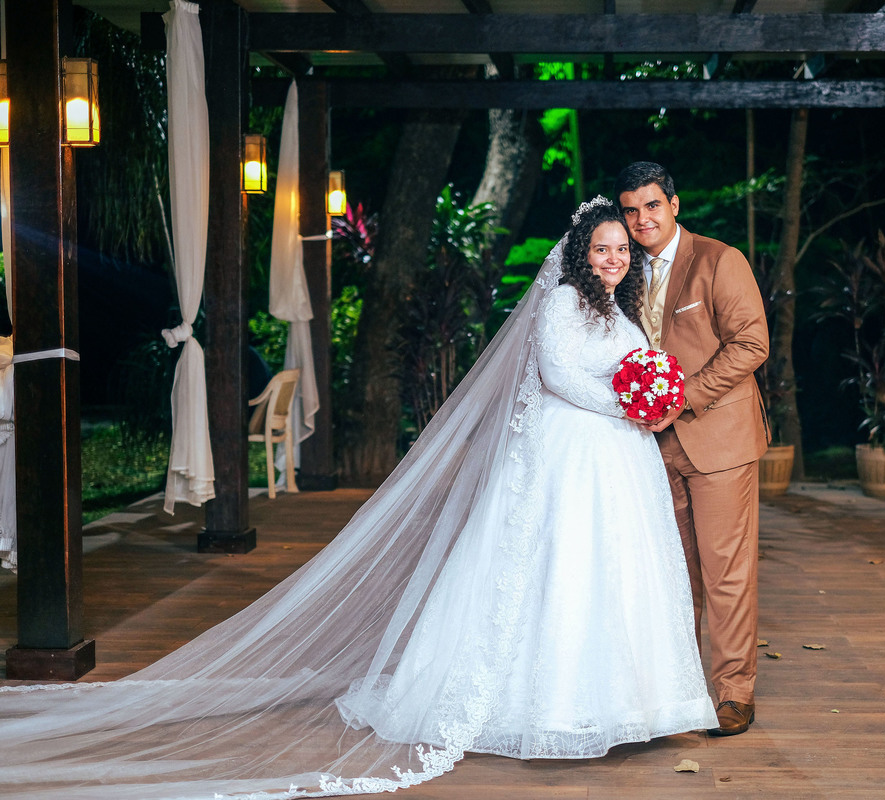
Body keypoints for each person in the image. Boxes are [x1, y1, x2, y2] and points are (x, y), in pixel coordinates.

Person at [0, 199, 715, 799]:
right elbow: (557, 374)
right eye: (602, 248)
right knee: (557, 570)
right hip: (570, 455)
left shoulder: (618, 309)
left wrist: (647, 395)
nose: (613, 257)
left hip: (613, 458)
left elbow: (631, 364)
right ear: (581, 253)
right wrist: (628, 405)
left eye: (621, 249)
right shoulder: (562, 302)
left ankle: (626, 703)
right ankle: (550, 707)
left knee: (611, 570)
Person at [616, 162, 770, 737]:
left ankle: (734, 693)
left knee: (726, 572)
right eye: (631, 210)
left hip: (718, 439)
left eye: (652, 205)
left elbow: (751, 343)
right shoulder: (623, 271)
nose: (642, 219)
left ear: (674, 204)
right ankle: (680, 693)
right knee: (673, 575)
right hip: (651, 446)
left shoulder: (718, 260)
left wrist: (685, 396)